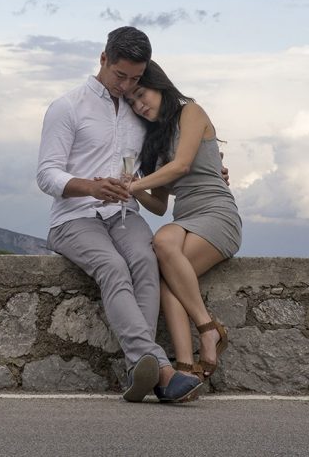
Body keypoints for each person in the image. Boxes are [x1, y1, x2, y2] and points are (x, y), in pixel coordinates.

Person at [36, 26, 204, 403]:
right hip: (74, 218)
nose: (126, 85)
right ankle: (160, 370)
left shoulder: (136, 112)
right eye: (120, 75)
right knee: (113, 266)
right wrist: (90, 187)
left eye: (135, 78)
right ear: (103, 60)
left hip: (124, 214)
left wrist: (213, 167)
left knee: (146, 261)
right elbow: (46, 174)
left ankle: (138, 370)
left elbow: (173, 153)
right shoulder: (67, 106)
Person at [124, 60, 242, 383]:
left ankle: (207, 329)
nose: (139, 105)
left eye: (141, 94)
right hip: (186, 218)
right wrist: (130, 190)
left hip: (218, 213)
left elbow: (183, 166)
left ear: (159, 85)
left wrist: (135, 184)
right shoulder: (156, 142)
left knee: (162, 244)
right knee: (167, 275)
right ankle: (186, 367)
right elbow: (160, 205)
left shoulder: (191, 112)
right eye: (133, 102)